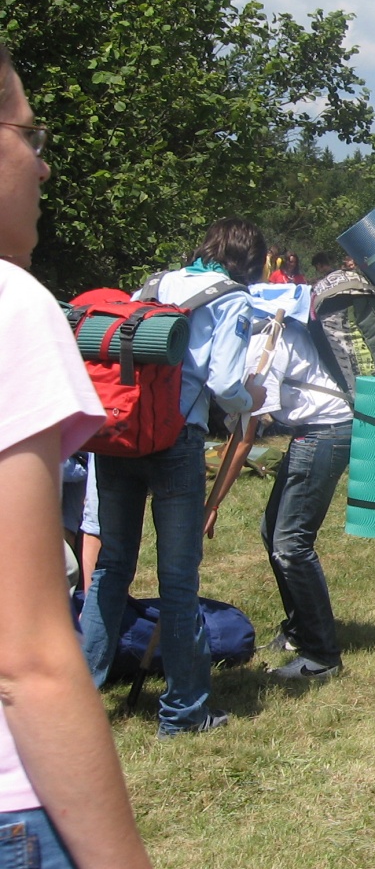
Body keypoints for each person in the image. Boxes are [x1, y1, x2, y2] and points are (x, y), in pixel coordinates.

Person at [2, 44, 174, 869]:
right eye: (31, 132)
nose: (44, 159)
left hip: (120, 460)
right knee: (153, 580)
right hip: (12, 822)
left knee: (110, 571)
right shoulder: (13, 305)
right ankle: (181, 699)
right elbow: (25, 656)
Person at [80, 217, 265, 737]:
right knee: (178, 580)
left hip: (120, 433)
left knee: (111, 567)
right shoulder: (231, 300)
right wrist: (253, 397)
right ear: (249, 261)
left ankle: (80, 697)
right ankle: (184, 710)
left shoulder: (154, 284)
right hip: (176, 438)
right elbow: (226, 383)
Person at [250, 313, 353, 679]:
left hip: (324, 431)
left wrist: (212, 505)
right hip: (316, 430)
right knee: (272, 531)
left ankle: (322, 656)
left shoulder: (265, 338)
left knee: (291, 545)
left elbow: (250, 425)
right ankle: (298, 632)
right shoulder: (267, 326)